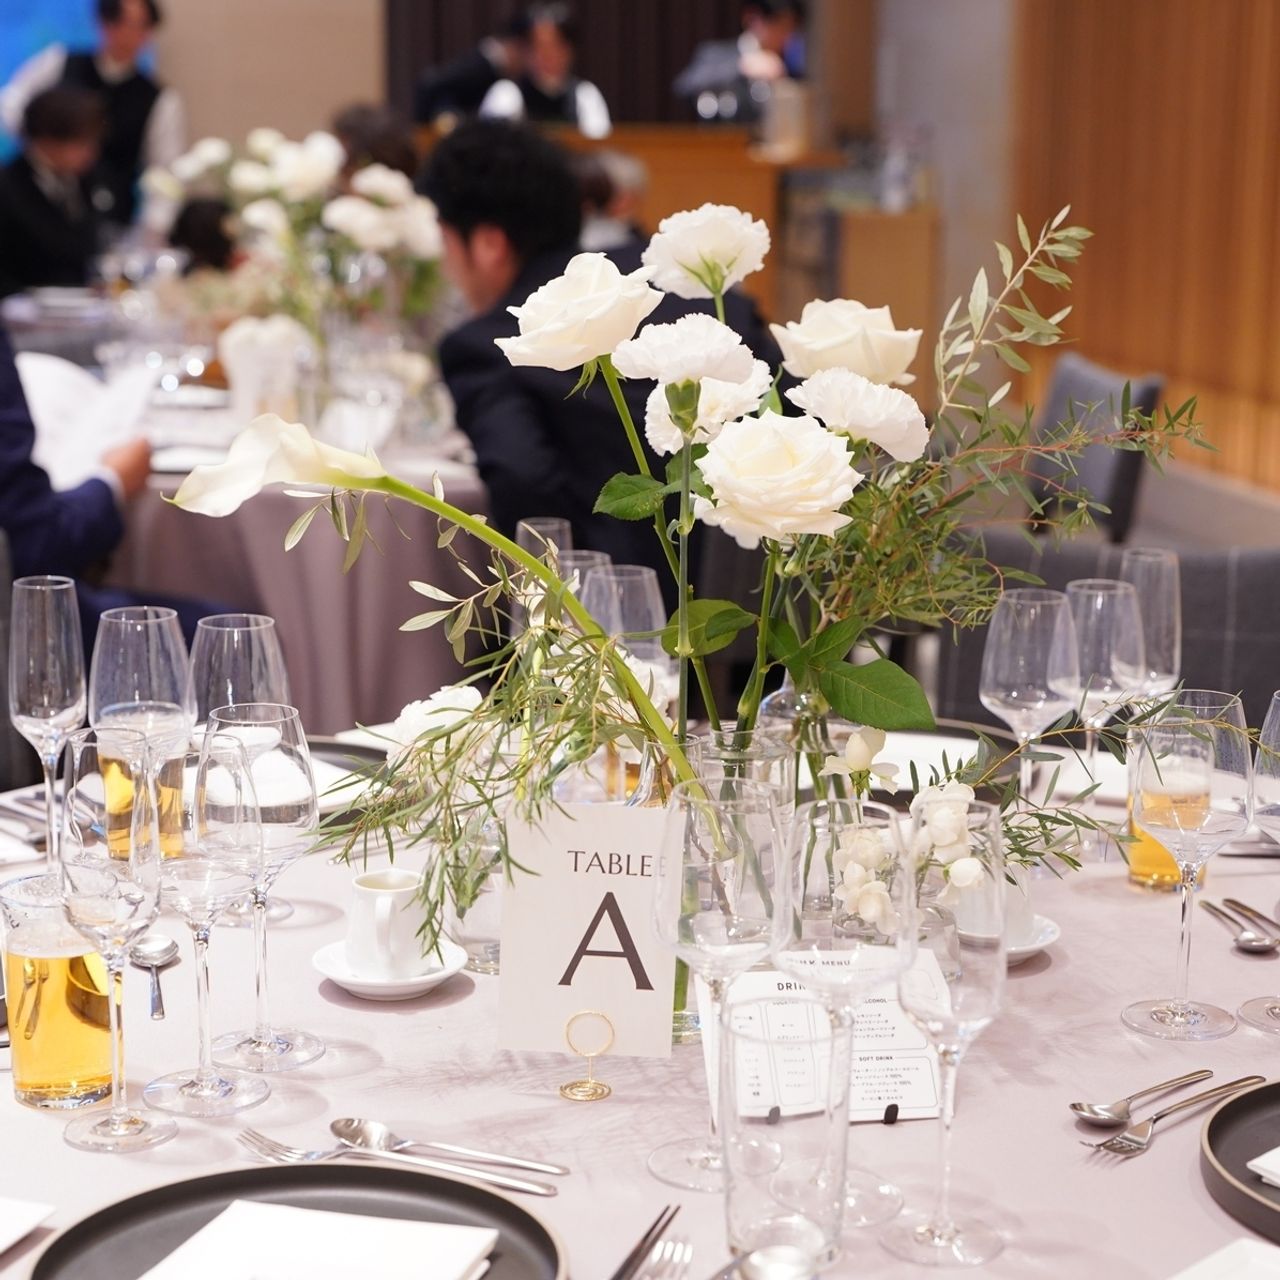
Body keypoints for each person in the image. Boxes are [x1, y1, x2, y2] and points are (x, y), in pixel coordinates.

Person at [420, 120, 776, 605]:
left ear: (488, 243)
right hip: (769, 608)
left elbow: (525, 486)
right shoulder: (692, 291)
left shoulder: (487, 347)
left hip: (620, 616)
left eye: (445, 241)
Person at [0, 0, 184, 232]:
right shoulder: (60, 61)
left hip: (109, 215)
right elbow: (12, 101)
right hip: (42, 200)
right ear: (103, 23)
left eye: (141, 26)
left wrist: (154, 227)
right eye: (123, 23)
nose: (131, 35)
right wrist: (41, 147)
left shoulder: (158, 98)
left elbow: (164, 171)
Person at [0, 88, 105, 298]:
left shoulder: (88, 180)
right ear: (46, 140)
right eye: (82, 142)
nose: (91, 152)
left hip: (82, 304)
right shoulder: (8, 186)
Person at [478, 4, 611, 140]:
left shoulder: (585, 94)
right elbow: (492, 144)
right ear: (525, 51)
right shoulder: (507, 93)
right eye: (538, 47)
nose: (546, 56)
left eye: (555, 46)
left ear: (569, 51)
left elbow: (599, 143)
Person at [674, 0, 806, 122]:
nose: (785, 34)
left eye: (790, 27)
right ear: (751, 18)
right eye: (778, 25)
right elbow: (684, 87)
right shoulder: (716, 55)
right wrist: (742, 65)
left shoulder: (792, 66)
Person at [413, 17, 530, 127]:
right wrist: (446, 114)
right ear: (515, 46)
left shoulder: (493, 67)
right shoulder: (481, 66)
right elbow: (431, 84)